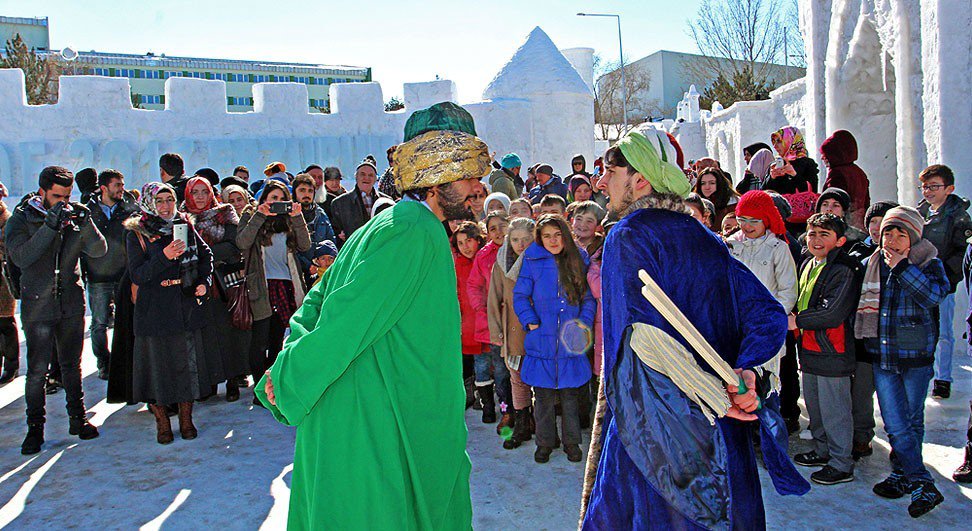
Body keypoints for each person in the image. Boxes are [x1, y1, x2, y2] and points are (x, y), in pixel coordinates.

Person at [255, 102, 489, 529]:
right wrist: (289, 378)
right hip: (373, 423)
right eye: (468, 175)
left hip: (368, 407)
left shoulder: (388, 223)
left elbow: (317, 301)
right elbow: (345, 318)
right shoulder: (412, 231)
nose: (479, 186)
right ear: (434, 178)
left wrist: (291, 359)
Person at [581, 130, 807, 529]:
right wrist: (747, 373)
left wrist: (716, 397)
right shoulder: (706, 236)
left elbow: (637, 352)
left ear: (640, 180)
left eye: (610, 171)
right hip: (722, 427)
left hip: (658, 438)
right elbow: (768, 314)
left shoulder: (627, 235)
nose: (601, 183)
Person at [6, 166, 107, 455]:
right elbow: (22, 257)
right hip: (37, 303)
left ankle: (78, 418)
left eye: (66, 195)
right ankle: (34, 428)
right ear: (42, 192)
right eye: (56, 196)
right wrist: (49, 226)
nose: (62, 201)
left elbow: (99, 251)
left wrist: (86, 223)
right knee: (37, 371)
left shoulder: (72, 217)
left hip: (71, 302)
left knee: (71, 366)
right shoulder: (21, 219)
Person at [855, 206, 948, 517]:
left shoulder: (928, 262)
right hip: (883, 354)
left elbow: (934, 296)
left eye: (900, 234)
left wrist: (903, 268)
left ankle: (903, 474)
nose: (892, 240)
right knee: (895, 424)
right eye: (887, 234)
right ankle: (921, 480)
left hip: (915, 356)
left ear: (913, 237)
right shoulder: (873, 264)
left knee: (910, 420)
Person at [125, 182, 213, 443]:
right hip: (154, 308)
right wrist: (164, 256)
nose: (165, 207)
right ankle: (162, 422)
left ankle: (186, 419)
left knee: (186, 365)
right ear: (150, 203)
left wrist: (203, 282)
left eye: (170, 200)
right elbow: (138, 274)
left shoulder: (184, 225)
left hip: (183, 304)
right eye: (160, 201)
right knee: (157, 367)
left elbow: (205, 256)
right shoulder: (137, 232)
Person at [514, 214, 595, 464]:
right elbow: (520, 295)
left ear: (565, 235)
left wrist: (582, 324)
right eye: (547, 235)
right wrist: (531, 321)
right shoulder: (531, 259)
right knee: (544, 397)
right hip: (542, 339)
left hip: (570, 339)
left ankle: (572, 442)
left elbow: (588, 298)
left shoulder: (578, 258)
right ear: (540, 237)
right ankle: (545, 442)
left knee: (570, 396)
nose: (553, 240)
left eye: (557, 234)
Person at [789, 213, 863, 485]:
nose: (816, 240)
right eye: (812, 234)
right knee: (816, 405)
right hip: (808, 347)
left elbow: (832, 312)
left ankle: (841, 463)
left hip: (833, 348)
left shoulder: (844, 268)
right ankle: (822, 450)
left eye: (824, 235)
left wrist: (797, 321)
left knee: (835, 409)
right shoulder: (808, 262)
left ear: (840, 240)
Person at [237, 179, 311, 404]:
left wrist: (297, 217)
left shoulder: (288, 220)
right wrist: (260, 216)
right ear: (264, 199)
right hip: (261, 286)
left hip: (285, 285)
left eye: (281, 199)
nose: (277, 203)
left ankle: (273, 388)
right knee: (259, 342)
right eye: (273, 199)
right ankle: (259, 390)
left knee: (277, 341)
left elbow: (305, 245)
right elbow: (242, 242)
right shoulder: (252, 216)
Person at [182, 176, 249, 402]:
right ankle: (209, 381)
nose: (200, 197)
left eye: (204, 191)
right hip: (195, 284)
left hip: (224, 282)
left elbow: (233, 247)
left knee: (227, 332)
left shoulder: (225, 212)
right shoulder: (182, 217)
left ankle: (232, 381)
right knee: (203, 335)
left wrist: (202, 255)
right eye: (195, 192)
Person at [728, 191, 798, 400]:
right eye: (742, 220)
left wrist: (770, 318)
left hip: (764, 327)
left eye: (753, 221)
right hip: (736, 325)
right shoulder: (731, 245)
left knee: (764, 383)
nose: (747, 226)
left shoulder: (778, 248)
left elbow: (788, 290)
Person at [846, 200, 898, 459]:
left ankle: (901, 444)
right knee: (862, 393)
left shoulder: (910, 257)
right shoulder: (859, 255)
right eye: (873, 222)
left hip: (895, 339)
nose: (877, 228)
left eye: (883, 222)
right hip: (865, 338)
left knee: (896, 398)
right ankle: (862, 436)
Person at [915, 164, 971, 399]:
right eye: (925, 187)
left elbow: (962, 251)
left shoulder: (958, 216)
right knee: (923, 329)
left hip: (944, 282)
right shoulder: (921, 212)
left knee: (944, 332)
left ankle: (943, 378)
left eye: (934, 187)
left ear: (949, 188)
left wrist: (946, 275)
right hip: (921, 280)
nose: (928, 192)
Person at [83, 169, 138, 380]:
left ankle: (123, 360)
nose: (121, 189)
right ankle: (103, 362)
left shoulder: (129, 209)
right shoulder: (89, 210)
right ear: (104, 188)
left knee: (126, 319)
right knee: (99, 323)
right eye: (117, 185)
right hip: (98, 276)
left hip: (123, 273)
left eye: (122, 185)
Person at [488, 217, 537, 449]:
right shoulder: (501, 262)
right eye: (515, 239)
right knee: (516, 378)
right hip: (512, 328)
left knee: (539, 377)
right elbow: (493, 298)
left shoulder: (541, 260)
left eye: (526, 239)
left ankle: (538, 423)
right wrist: (496, 330)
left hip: (538, 328)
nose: (521, 244)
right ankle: (521, 423)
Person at [468, 211, 512, 428]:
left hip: (516, 322)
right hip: (494, 323)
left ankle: (524, 411)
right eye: (492, 228)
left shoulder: (518, 248)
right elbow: (474, 285)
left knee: (518, 373)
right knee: (501, 372)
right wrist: (482, 307)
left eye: (502, 226)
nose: (498, 232)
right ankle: (505, 410)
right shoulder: (484, 256)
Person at [329, 157, 390, 244]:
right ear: (356, 177)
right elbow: (335, 232)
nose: (367, 178)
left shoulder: (387, 202)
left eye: (370, 175)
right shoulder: (339, 203)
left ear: (376, 179)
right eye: (363, 174)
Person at [821, 130, 871, 229]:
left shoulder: (837, 173)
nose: (823, 158)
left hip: (843, 224)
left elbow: (833, 199)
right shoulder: (858, 171)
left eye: (826, 155)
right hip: (860, 223)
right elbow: (866, 201)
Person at [292, 173, 336, 278]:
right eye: (302, 190)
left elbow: (331, 240)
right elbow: (290, 247)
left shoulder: (320, 213)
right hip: (297, 271)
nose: (306, 194)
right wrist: (308, 265)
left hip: (322, 270)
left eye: (310, 191)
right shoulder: (289, 215)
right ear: (294, 192)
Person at [768, 126, 819, 193]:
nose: (775, 146)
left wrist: (794, 175)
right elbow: (764, 193)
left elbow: (812, 191)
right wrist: (771, 178)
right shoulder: (776, 164)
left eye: (779, 141)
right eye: (774, 142)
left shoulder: (807, 163)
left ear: (791, 140)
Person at [0, 195, 18, 385]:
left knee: (5, 324)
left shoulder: (7, 220)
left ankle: (11, 366)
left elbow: (8, 248)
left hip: (3, 281)